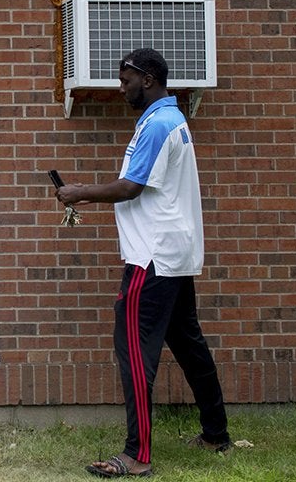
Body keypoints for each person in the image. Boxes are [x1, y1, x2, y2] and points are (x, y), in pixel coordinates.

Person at [56, 48, 231, 478]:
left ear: (148, 78)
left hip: (150, 258)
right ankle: (215, 434)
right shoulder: (172, 120)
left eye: (125, 79)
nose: (121, 88)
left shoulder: (158, 124)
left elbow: (131, 187)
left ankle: (136, 456)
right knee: (190, 346)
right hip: (174, 254)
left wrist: (78, 192)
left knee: (134, 352)